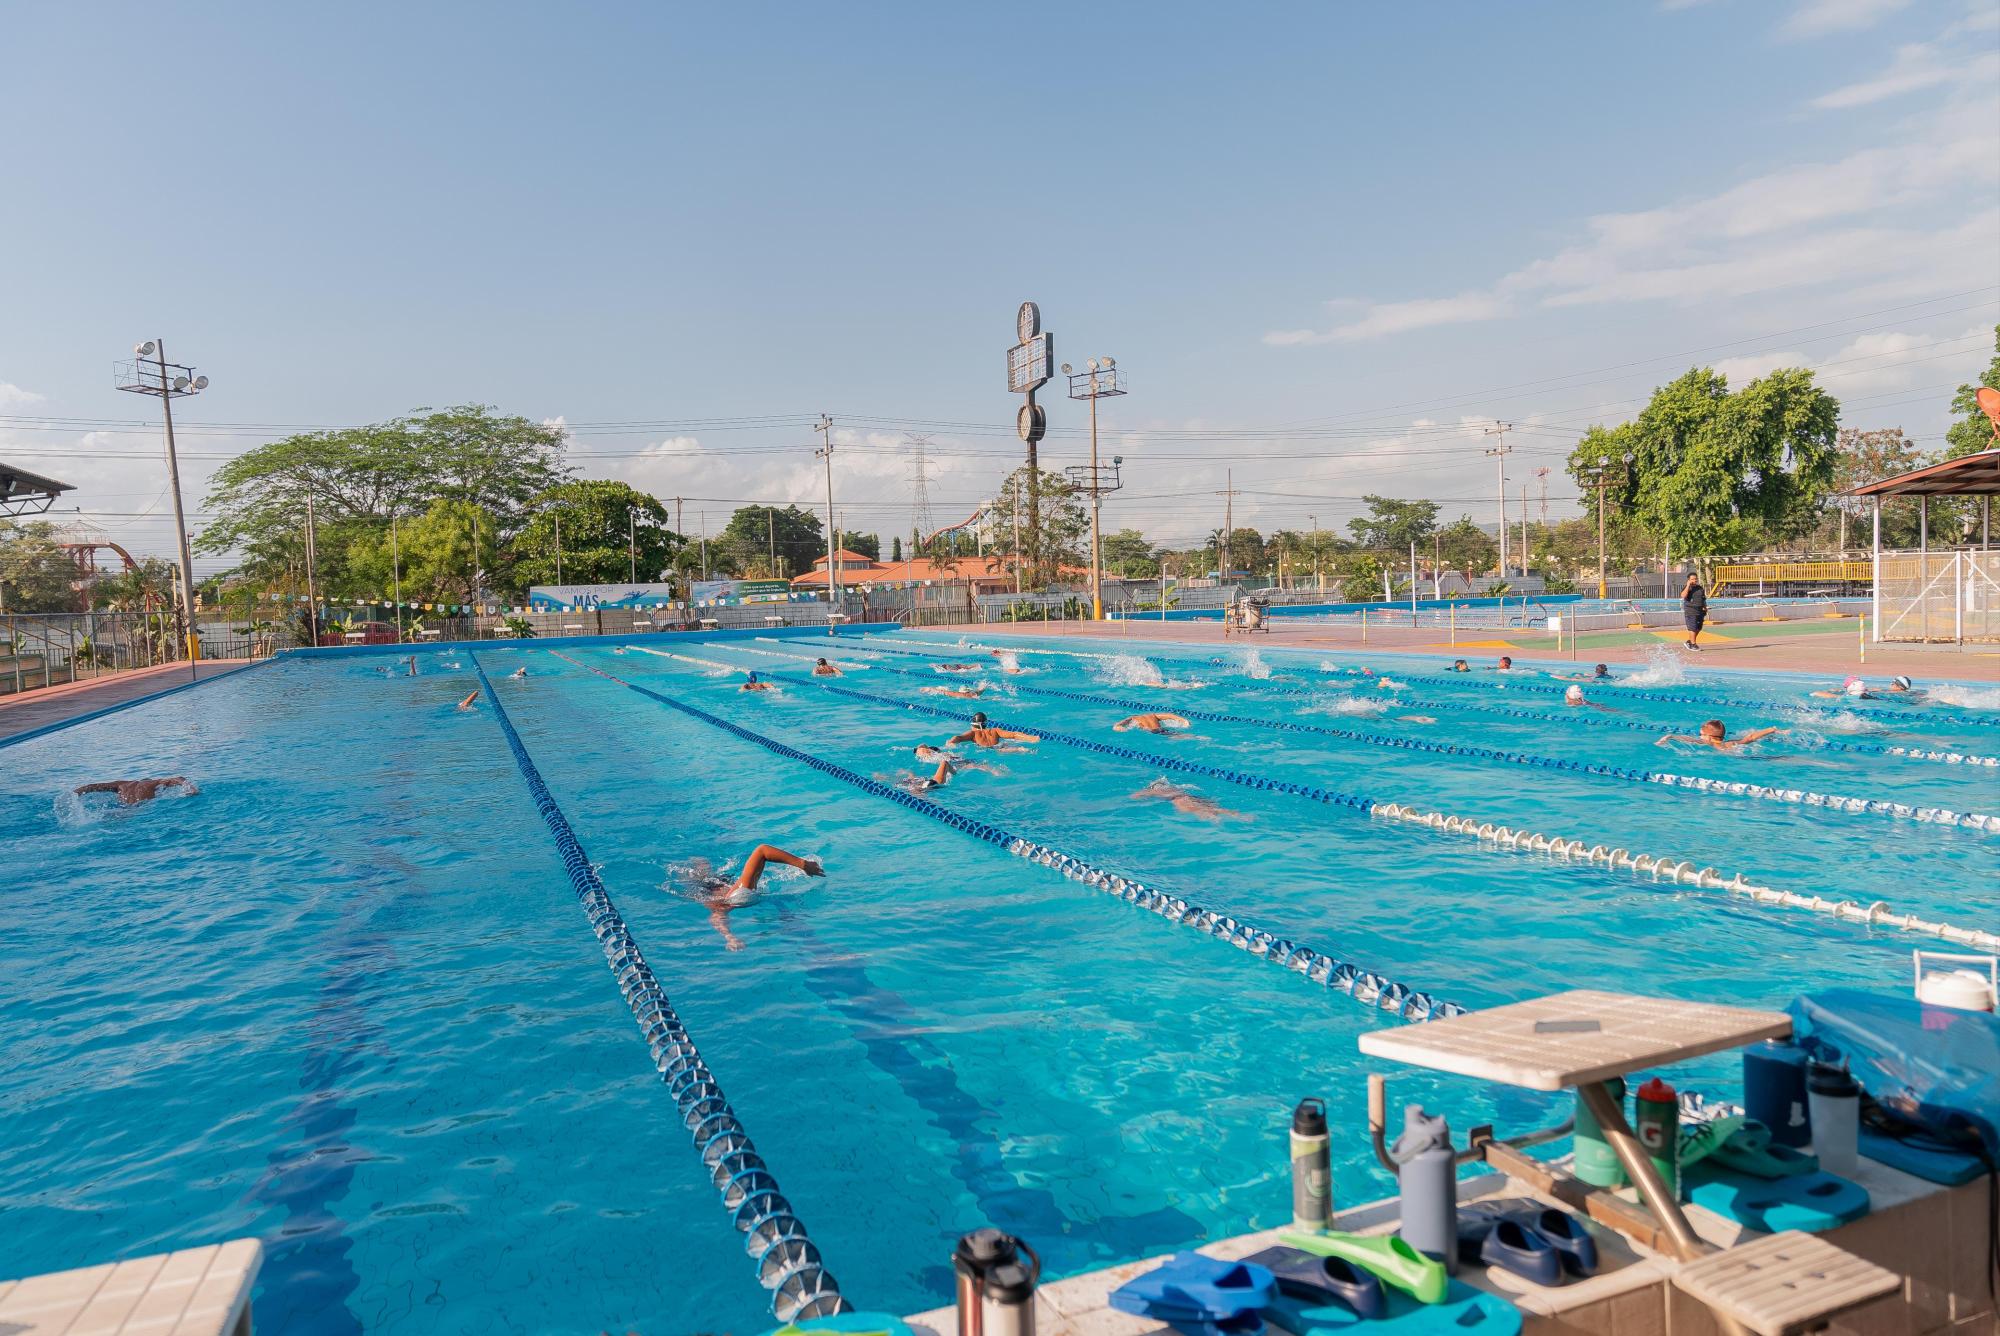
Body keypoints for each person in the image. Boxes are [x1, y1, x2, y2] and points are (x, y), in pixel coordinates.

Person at [677, 844, 824, 951]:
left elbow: (716, 918)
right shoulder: (734, 896)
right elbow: (762, 850)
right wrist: (802, 864)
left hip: (725, 892)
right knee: (703, 874)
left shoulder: (727, 900)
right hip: (732, 895)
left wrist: (730, 937)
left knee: (704, 875)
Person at [1129, 777, 1247, 822]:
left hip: (1180, 800)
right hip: (1190, 796)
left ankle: (1215, 819)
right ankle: (1235, 814)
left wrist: (1145, 792)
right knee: (1214, 808)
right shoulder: (1174, 787)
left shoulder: (1155, 791)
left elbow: (1135, 796)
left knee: (1199, 812)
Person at [1656, 719, 1786, 752]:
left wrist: (1671, 736)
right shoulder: (1730, 743)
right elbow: (1750, 737)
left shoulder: (1710, 743)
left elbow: (1691, 740)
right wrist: (1771, 729)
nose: (1700, 737)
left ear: (1708, 736)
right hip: (1743, 753)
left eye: (1701, 734)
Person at [73, 777, 196, 806]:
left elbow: (92, 787)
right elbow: (178, 778)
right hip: (139, 808)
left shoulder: (120, 785)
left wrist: (75, 792)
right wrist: (191, 788)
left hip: (123, 807)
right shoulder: (153, 783)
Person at [946, 711, 1039, 749]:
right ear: (986, 723)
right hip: (998, 748)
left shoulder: (973, 733)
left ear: (972, 724)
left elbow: (958, 737)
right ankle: (1021, 748)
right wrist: (1031, 738)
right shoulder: (995, 730)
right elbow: (1014, 735)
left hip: (983, 750)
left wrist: (950, 743)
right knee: (1005, 748)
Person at [1681, 572, 1708, 651]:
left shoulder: (1700, 588)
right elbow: (1683, 596)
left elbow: (1703, 599)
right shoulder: (1687, 588)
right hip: (1691, 610)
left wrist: (1705, 607)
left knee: (1698, 628)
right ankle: (1693, 644)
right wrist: (1688, 585)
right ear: (1689, 580)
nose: (1694, 580)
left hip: (1700, 610)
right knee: (1692, 628)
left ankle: (1689, 641)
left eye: (1695, 579)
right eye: (1692, 579)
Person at [1113, 712, 1191, 735]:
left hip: (1153, 731)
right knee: (1177, 734)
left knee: (1175, 736)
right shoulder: (1152, 715)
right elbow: (1169, 715)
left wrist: (1117, 727)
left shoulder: (1133, 718)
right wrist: (1183, 720)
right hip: (1161, 729)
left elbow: (1121, 723)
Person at [921, 683, 989, 699]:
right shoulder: (973, 693)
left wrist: (929, 689)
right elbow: (981, 690)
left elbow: (943, 692)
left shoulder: (958, 694)